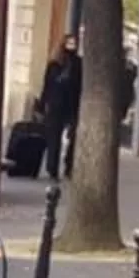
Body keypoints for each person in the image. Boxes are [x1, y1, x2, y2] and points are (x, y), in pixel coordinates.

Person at [38, 31, 83, 177]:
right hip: (56, 104)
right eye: (69, 43)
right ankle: (53, 168)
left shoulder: (78, 63)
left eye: (74, 43)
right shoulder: (54, 64)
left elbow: (80, 85)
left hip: (72, 104)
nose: (72, 46)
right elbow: (47, 85)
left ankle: (69, 165)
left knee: (74, 136)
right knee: (54, 138)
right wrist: (42, 104)